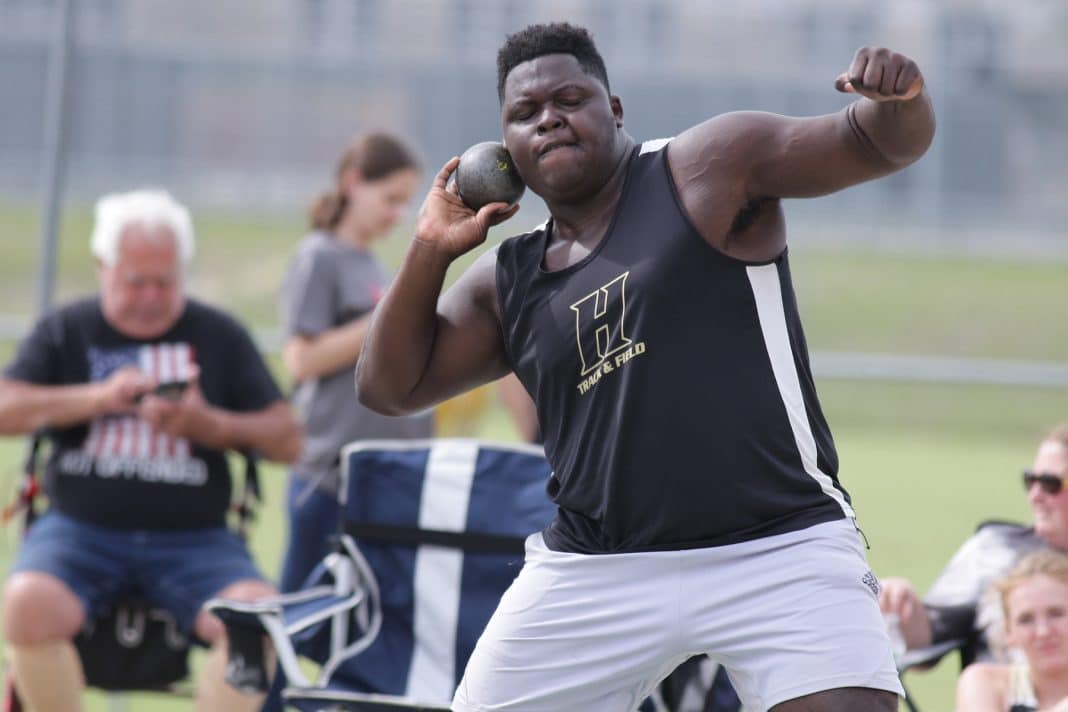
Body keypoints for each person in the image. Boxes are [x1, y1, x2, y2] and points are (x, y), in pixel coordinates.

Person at [355, 22, 935, 712]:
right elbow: (387, 387)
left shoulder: (708, 168)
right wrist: (430, 248)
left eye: (570, 98)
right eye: (524, 113)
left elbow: (874, 142)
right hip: (599, 568)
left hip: (777, 545)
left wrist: (897, 101)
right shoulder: (508, 279)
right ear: (503, 148)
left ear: (615, 108)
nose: (549, 119)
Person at [0, 189, 302, 712]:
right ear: (103, 269)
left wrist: (206, 423)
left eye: (165, 282)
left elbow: (287, 438)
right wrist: (97, 398)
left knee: (257, 619)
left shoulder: (219, 333)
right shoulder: (67, 328)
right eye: (135, 281)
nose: (150, 297)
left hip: (196, 538)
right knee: (26, 603)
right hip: (77, 530)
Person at [277, 132, 435, 594]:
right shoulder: (319, 257)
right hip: (329, 479)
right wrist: (384, 320)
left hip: (381, 479)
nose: (396, 214)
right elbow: (300, 360)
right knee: (298, 610)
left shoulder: (369, 263)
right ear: (352, 183)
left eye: (404, 203)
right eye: (389, 199)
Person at [881, 423, 1068, 666]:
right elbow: (927, 641)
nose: (1034, 495)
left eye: (1050, 484)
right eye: (1030, 481)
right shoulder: (995, 549)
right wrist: (901, 606)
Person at [954, 549, 1068, 712]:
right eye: (1026, 620)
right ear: (1009, 632)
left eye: (1056, 614)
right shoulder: (986, 683)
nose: (1043, 632)